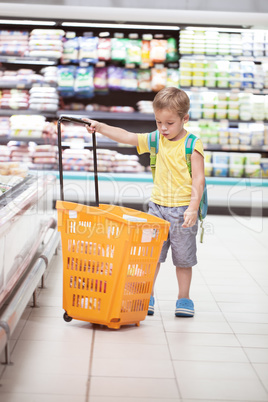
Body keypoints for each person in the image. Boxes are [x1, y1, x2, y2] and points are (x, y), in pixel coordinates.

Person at [83, 87, 205, 317]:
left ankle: (184, 298)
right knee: (150, 256)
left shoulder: (191, 145)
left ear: (184, 119)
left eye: (169, 122)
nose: (163, 128)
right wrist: (100, 127)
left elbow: (199, 179)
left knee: (183, 259)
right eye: (159, 122)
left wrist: (192, 208)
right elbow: (127, 136)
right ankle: (145, 293)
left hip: (182, 211)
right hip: (156, 209)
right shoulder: (155, 139)